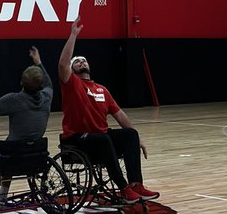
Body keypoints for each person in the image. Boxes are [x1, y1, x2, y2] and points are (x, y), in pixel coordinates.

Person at [58, 18, 158, 204]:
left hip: (100, 139)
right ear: (72, 69)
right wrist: (73, 36)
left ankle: (136, 184)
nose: (81, 62)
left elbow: (119, 115)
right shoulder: (72, 85)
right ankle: (123, 188)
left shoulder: (101, 89)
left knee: (129, 134)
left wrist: (138, 139)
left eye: (84, 60)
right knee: (103, 138)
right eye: (77, 62)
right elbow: (63, 65)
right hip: (78, 139)